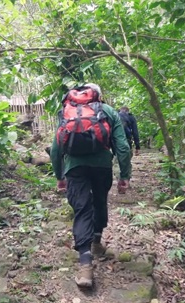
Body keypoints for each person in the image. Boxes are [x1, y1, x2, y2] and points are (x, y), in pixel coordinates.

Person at [50, 83, 132, 288]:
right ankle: (96, 242)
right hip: (102, 166)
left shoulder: (66, 111)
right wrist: (124, 175)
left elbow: (55, 147)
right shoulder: (109, 112)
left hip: (74, 166)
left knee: (81, 209)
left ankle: (85, 265)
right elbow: (122, 147)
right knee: (99, 201)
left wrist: (60, 175)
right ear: (99, 96)